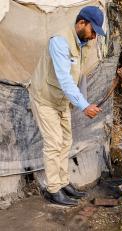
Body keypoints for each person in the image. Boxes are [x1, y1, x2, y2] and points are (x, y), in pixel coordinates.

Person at [28, 6, 106, 206]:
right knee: (54, 143)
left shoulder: (83, 43)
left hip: (61, 100)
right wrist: (84, 105)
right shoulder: (60, 41)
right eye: (93, 30)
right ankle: (53, 189)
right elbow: (64, 79)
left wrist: (82, 101)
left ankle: (62, 182)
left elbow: (78, 75)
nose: (95, 35)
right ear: (82, 23)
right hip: (45, 98)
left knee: (66, 141)